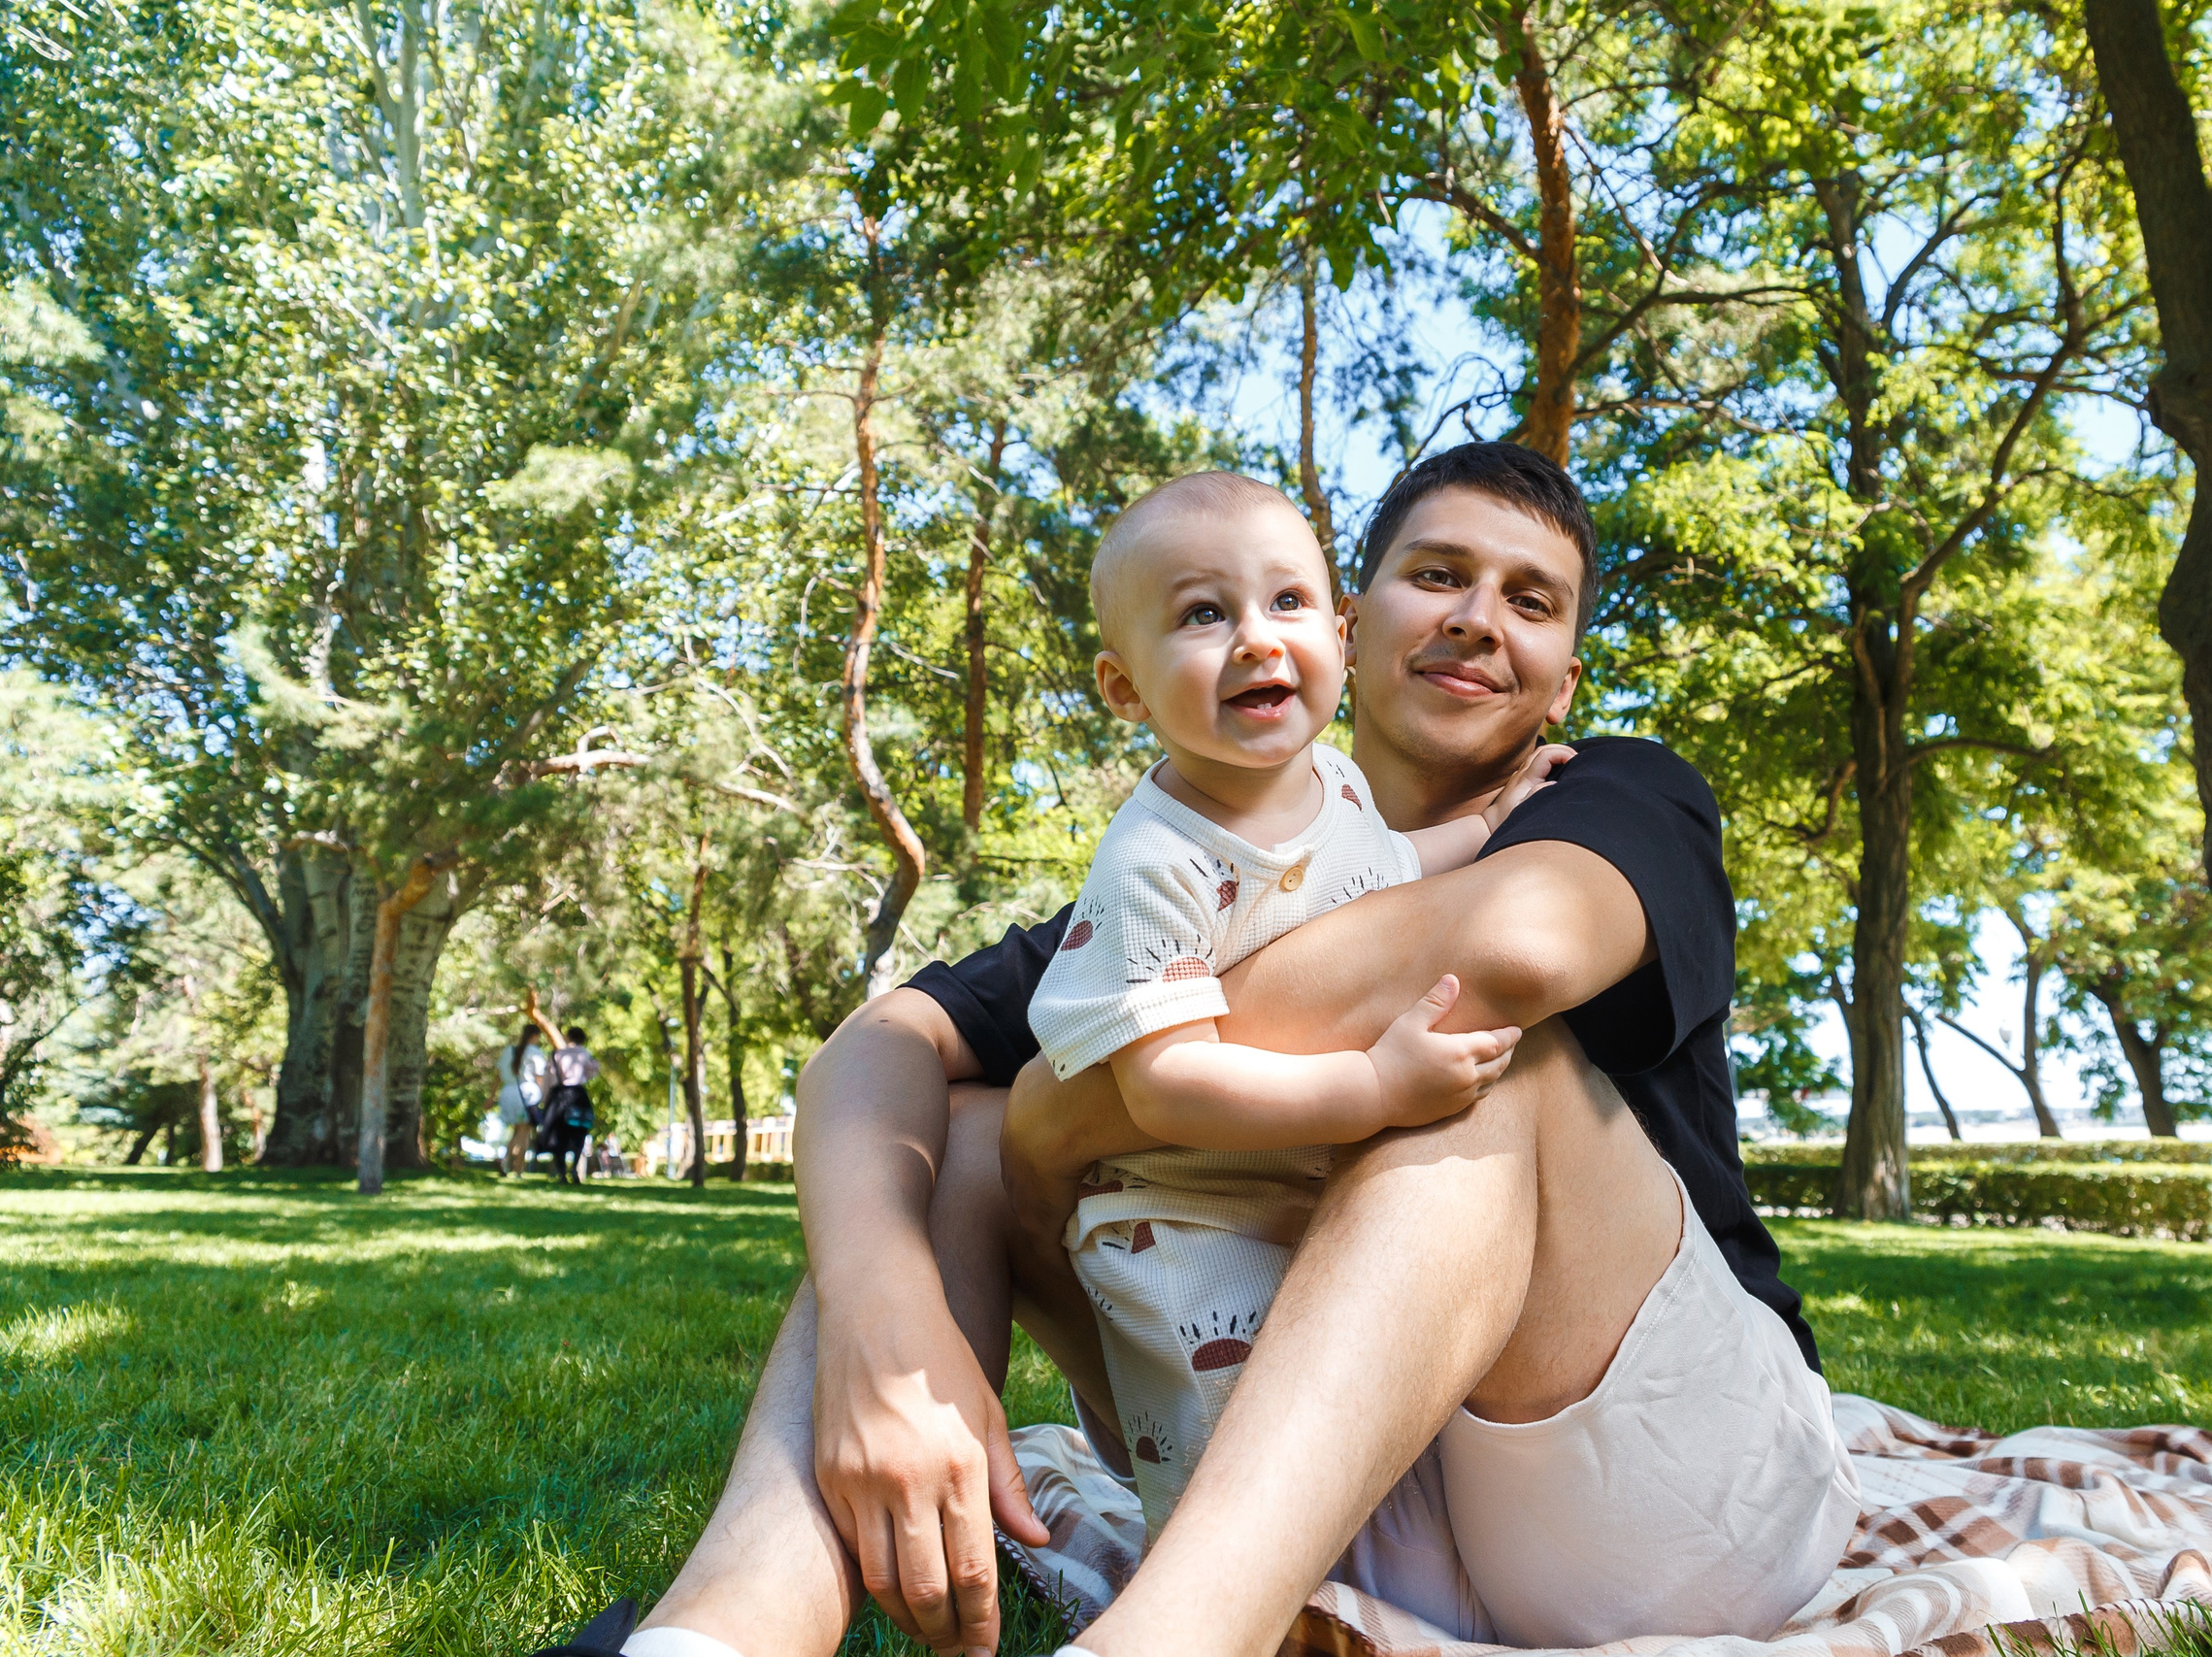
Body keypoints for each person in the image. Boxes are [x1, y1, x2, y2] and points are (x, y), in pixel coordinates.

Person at [556, 443, 1855, 1657]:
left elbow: (1509, 947)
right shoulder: (1201, 864)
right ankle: (721, 1627)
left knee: (1476, 1057)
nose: (1479, 617)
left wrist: (1068, 1112)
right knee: (948, 1132)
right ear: (1353, 620)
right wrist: (886, 1318)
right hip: (1341, 1492)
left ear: (1565, 675)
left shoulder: (1615, 793)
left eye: (1533, 598)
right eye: (1440, 574)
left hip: (1659, 1489)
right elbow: (878, 1044)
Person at [1016, 471, 1562, 1541]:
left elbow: (1390, 867)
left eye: (1286, 604)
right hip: (1186, 1230)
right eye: (1203, 615)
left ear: (1341, 633)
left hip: (1303, 1194)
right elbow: (1165, 1085)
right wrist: (1368, 1085)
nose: (1257, 641)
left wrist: (1494, 824)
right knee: (1234, 1491)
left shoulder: (1338, 785)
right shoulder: (1155, 863)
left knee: (1353, 1443)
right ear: (1124, 690)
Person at [544, 1026, 600, 1185]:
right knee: (579, 1132)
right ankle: (574, 1167)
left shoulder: (557, 1054)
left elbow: (550, 1077)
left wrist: (545, 1098)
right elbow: (592, 1072)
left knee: (558, 1133)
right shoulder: (585, 1054)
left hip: (560, 1096)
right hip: (578, 1096)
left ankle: (562, 1172)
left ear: (569, 1037)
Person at [496, 1023, 550, 1176]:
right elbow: (539, 1078)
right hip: (527, 1094)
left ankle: (506, 1162)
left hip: (507, 1093)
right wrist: (543, 1097)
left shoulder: (509, 1050)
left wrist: (491, 1096)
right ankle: (517, 1168)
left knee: (516, 1131)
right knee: (524, 1133)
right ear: (535, 1036)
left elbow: (498, 1076)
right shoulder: (535, 1052)